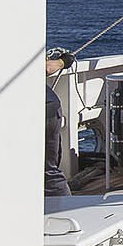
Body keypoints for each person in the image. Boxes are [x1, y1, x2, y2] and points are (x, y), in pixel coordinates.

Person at [44, 48, 74, 198]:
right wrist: (63, 61)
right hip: (50, 108)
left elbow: (45, 68)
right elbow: (47, 68)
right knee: (49, 169)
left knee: (47, 171)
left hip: (44, 111)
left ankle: (64, 206)